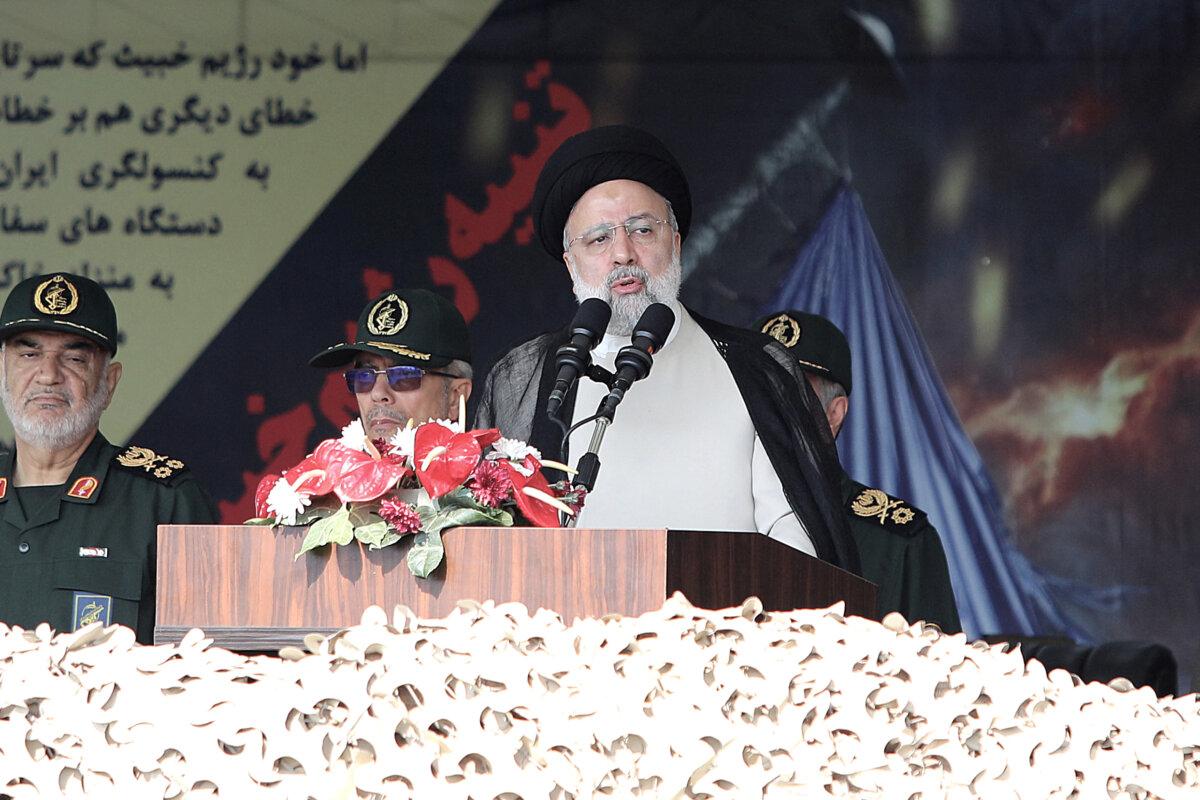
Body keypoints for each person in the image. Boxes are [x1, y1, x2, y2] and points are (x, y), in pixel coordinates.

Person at [475, 125, 859, 571]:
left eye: (642, 230)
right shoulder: (526, 378)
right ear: (570, 262)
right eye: (599, 239)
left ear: (674, 241)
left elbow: (798, 540)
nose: (623, 254)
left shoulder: (757, 368)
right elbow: (494, 545)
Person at [0, 272, 216, 644]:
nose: (48, 375)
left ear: (109, 382)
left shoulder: (163, 500)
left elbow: (211, 665)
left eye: (74, 358)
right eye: (29, 353)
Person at [755, 309, 962, 632]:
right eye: (756, 392)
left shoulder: (898, 544)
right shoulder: (708, 524)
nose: (769, 411)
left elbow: (938, 677)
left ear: (834, 414)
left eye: (791, 394)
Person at [309, 288, 473, 437]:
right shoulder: (330, 470)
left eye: (404, 375)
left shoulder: (494, 469)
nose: (378, 394)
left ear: (455, 397)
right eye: (364, 376)